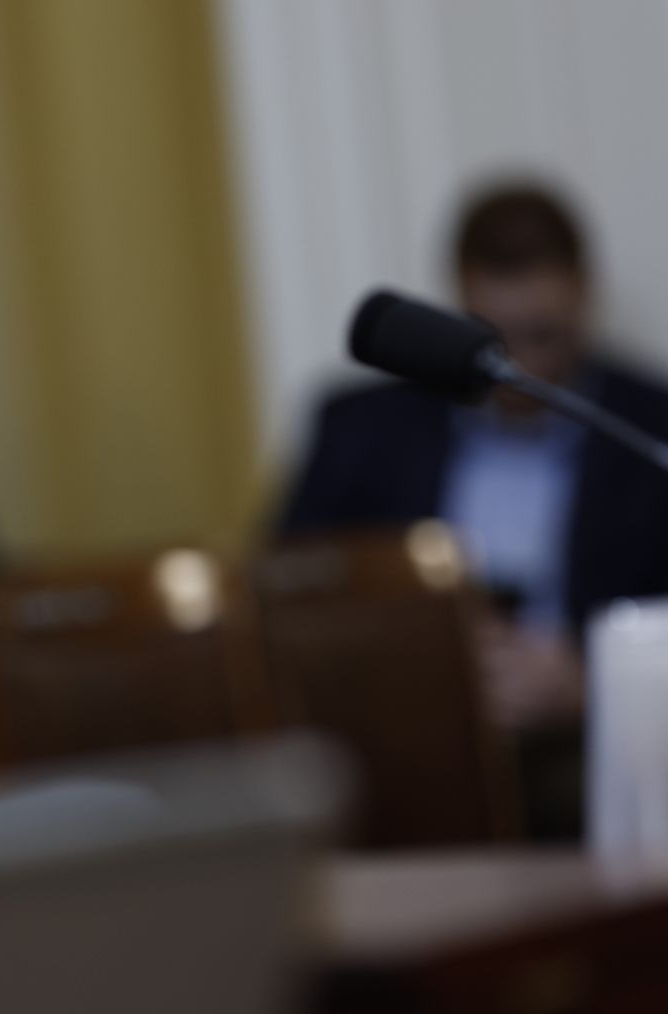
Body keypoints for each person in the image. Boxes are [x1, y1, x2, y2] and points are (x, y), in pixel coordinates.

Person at [279, 182, 668, 834]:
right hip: (401, 746)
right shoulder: (361, 430)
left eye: (544, 336)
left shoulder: (648, 431)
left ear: (585, 294)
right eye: (499, 342)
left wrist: (595, 683)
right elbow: (287, 595)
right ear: (461, 303)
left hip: (588, 759)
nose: (520, 368)